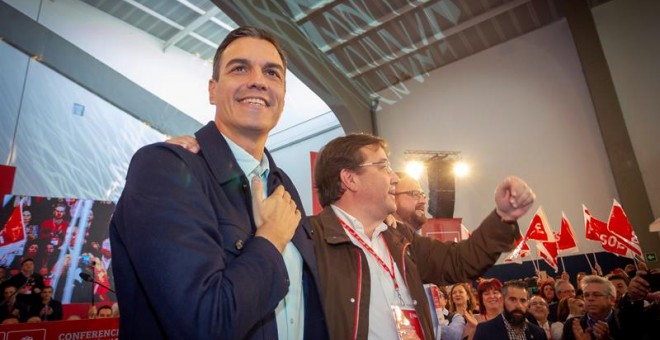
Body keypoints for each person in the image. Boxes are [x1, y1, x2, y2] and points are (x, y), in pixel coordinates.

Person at [109, 26, 327, 339]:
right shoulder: (166, 168)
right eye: (240, 68)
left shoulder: (283, 184)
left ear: (282, 96)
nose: (257, 80)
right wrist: (270, 239)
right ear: (213, 89)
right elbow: (203, 323)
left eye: (272, 73)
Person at [310, 133, 535, 339]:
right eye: (383, 166)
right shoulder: (310, 240)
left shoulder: (399, 237)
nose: (394, 178)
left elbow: (459, 262)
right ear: (350, 179)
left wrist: (503, 217)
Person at [473, 280, 547, 340]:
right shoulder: (484, 331)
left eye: (523, 300)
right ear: (502, 300)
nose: (518, 305)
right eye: (512, 300)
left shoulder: (538, 333)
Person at [562, 275, 622, 340]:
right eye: (586, 295)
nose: (590, 299)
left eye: (596, 295)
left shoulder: (628, 321)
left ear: (611, 300)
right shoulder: (571, 325)